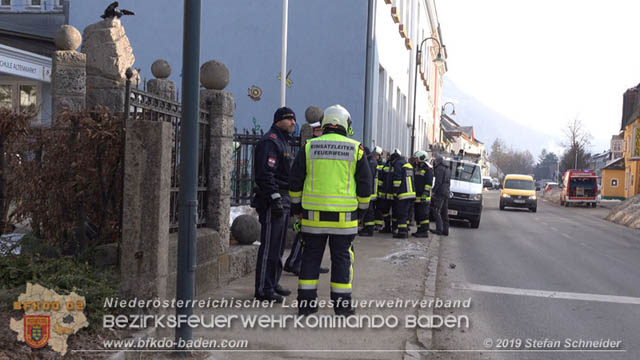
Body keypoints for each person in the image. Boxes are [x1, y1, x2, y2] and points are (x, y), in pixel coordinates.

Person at [289, 104, 372, 316]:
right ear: (346, 124)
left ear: (325, 123)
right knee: (342, 260)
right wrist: (361, 212)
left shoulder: (308, 147)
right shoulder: (356, 149)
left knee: (310, 259)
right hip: (344, 221)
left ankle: (306, 307)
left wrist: (297, 208)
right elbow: (365, 186)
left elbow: (295, 181)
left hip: (312, 219)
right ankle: (343, 308)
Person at [251, 106, 297, 302]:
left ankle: (272, 282)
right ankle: (263, 289)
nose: (293, 123)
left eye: (293, 120)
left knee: (278, 247)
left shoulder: (284, 142)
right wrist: (275, 197)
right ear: (278, 121)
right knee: (270, 245)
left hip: (283, 198)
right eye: (288, 119)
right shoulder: (271, 142)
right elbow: (265, 174)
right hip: (273, 199)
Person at [284, 121, 329, 275]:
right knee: (304, 234)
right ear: (317, 132)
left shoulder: (315, 148)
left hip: (313, 198)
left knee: (313, 235)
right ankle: (294, 262)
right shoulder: (311, 148)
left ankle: (306, 263)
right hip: (307, 198)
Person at [389, 149, 415, 238]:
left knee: (401, 213)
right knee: (406, 213)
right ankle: (405, 230)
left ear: (393, 159)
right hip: (411, 193)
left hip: (403, 193)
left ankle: (402, 233)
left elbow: (397, 179)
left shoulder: (398, 164)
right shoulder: (407, 164)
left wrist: (395, 192)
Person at [358, 145, 381, 237]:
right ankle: (366, 228)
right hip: (370, 189)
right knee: (368, 210)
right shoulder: (371, 160)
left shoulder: (371, 161)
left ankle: (369, 229)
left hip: (370, 190)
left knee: (369, 211)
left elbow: (368, 177)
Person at [411, 150, 433, 237]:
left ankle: (424, 232)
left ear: (421, 158)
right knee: (418, 214)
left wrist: (425, 193)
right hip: (417, 195)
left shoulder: (428, 168)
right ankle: (419, 230)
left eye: (417, 158)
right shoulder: (418, 166)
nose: (415, 160)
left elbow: (428, 183)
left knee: (423, 214)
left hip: (424, 196)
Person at [431, 156, 451, 236]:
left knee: (436, 210)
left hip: (440, 193)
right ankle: (446, 230)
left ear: (437, 162)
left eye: (435, 162)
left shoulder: (439, 169)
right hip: (446, 192)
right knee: (444, 212)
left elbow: (438, 182)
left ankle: (439, 229)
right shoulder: (447, 168)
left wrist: (433, 191)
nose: (434, 164)